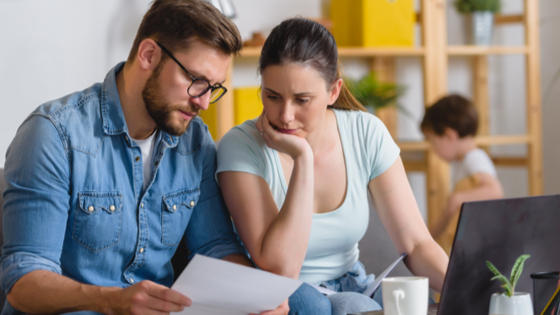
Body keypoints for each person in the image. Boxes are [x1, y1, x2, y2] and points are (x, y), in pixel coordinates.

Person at [0, 1, 290, 314]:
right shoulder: (53, 135)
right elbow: (23, 281)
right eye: (197, 81)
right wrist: (111, 301)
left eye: (213, 88)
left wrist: (254, 295)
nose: (204, 102)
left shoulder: (195, 142)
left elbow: (215, 246)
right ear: (149, 55)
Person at [216, 18, 449, 315]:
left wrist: (470, 289)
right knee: (347, 307)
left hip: (352, 283)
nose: (285, 115)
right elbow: (278, 266)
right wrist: (303, 159)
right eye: (272, 96)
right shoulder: (240, 146)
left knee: (414, 305)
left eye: (302, 100)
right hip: (285, 290)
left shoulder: (366, 133)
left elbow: (416, 244)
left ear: (333, 92)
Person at [421, 94, 504, 255]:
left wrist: (457, 199)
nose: (434, 150)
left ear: (449, 135)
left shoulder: (474, 158)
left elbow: (494, 190)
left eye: (433, 142)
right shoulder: (464, 162)